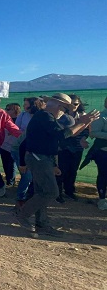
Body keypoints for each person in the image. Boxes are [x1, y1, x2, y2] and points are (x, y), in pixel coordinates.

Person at [16, 93, 99, 236]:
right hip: (39, 159)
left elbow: (61, 137)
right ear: (60, 106)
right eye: (65, 108)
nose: (65, 112)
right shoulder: (45, 116)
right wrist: (82, 122)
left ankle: (42, 225)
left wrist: (84, 123)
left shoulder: (46, 117)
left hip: (41, 158)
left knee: (42, 193)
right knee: (51, 192)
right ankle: (21, 214)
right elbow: (61, 135)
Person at [54, 94, 89, 203]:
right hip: (63, 147)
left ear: (79, 105)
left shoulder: (83, 115)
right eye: (70, 104)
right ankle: (57, 193)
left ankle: (69, 191)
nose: (73, 106)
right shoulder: (60, 115)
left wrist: (83, 138)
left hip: (77, 147)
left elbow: (86, 130)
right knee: (61, 170)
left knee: (72, 170)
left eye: (76, 104)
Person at [88, 96, 107, 210]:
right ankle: (101, 199)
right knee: (103, 175)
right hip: (103, 152)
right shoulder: (101, 117)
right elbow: (93, 133)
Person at [0, 103, 21, 187]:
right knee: (5, 163)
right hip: (4, 145)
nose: (6, 110)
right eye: (6, 108)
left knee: (12, 164)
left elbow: (20, 131)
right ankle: (8, 180)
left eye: (8, 109)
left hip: (14, 146)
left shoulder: (19, 120)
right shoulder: (4, 119)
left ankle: (11, 182)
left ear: (15, 110)